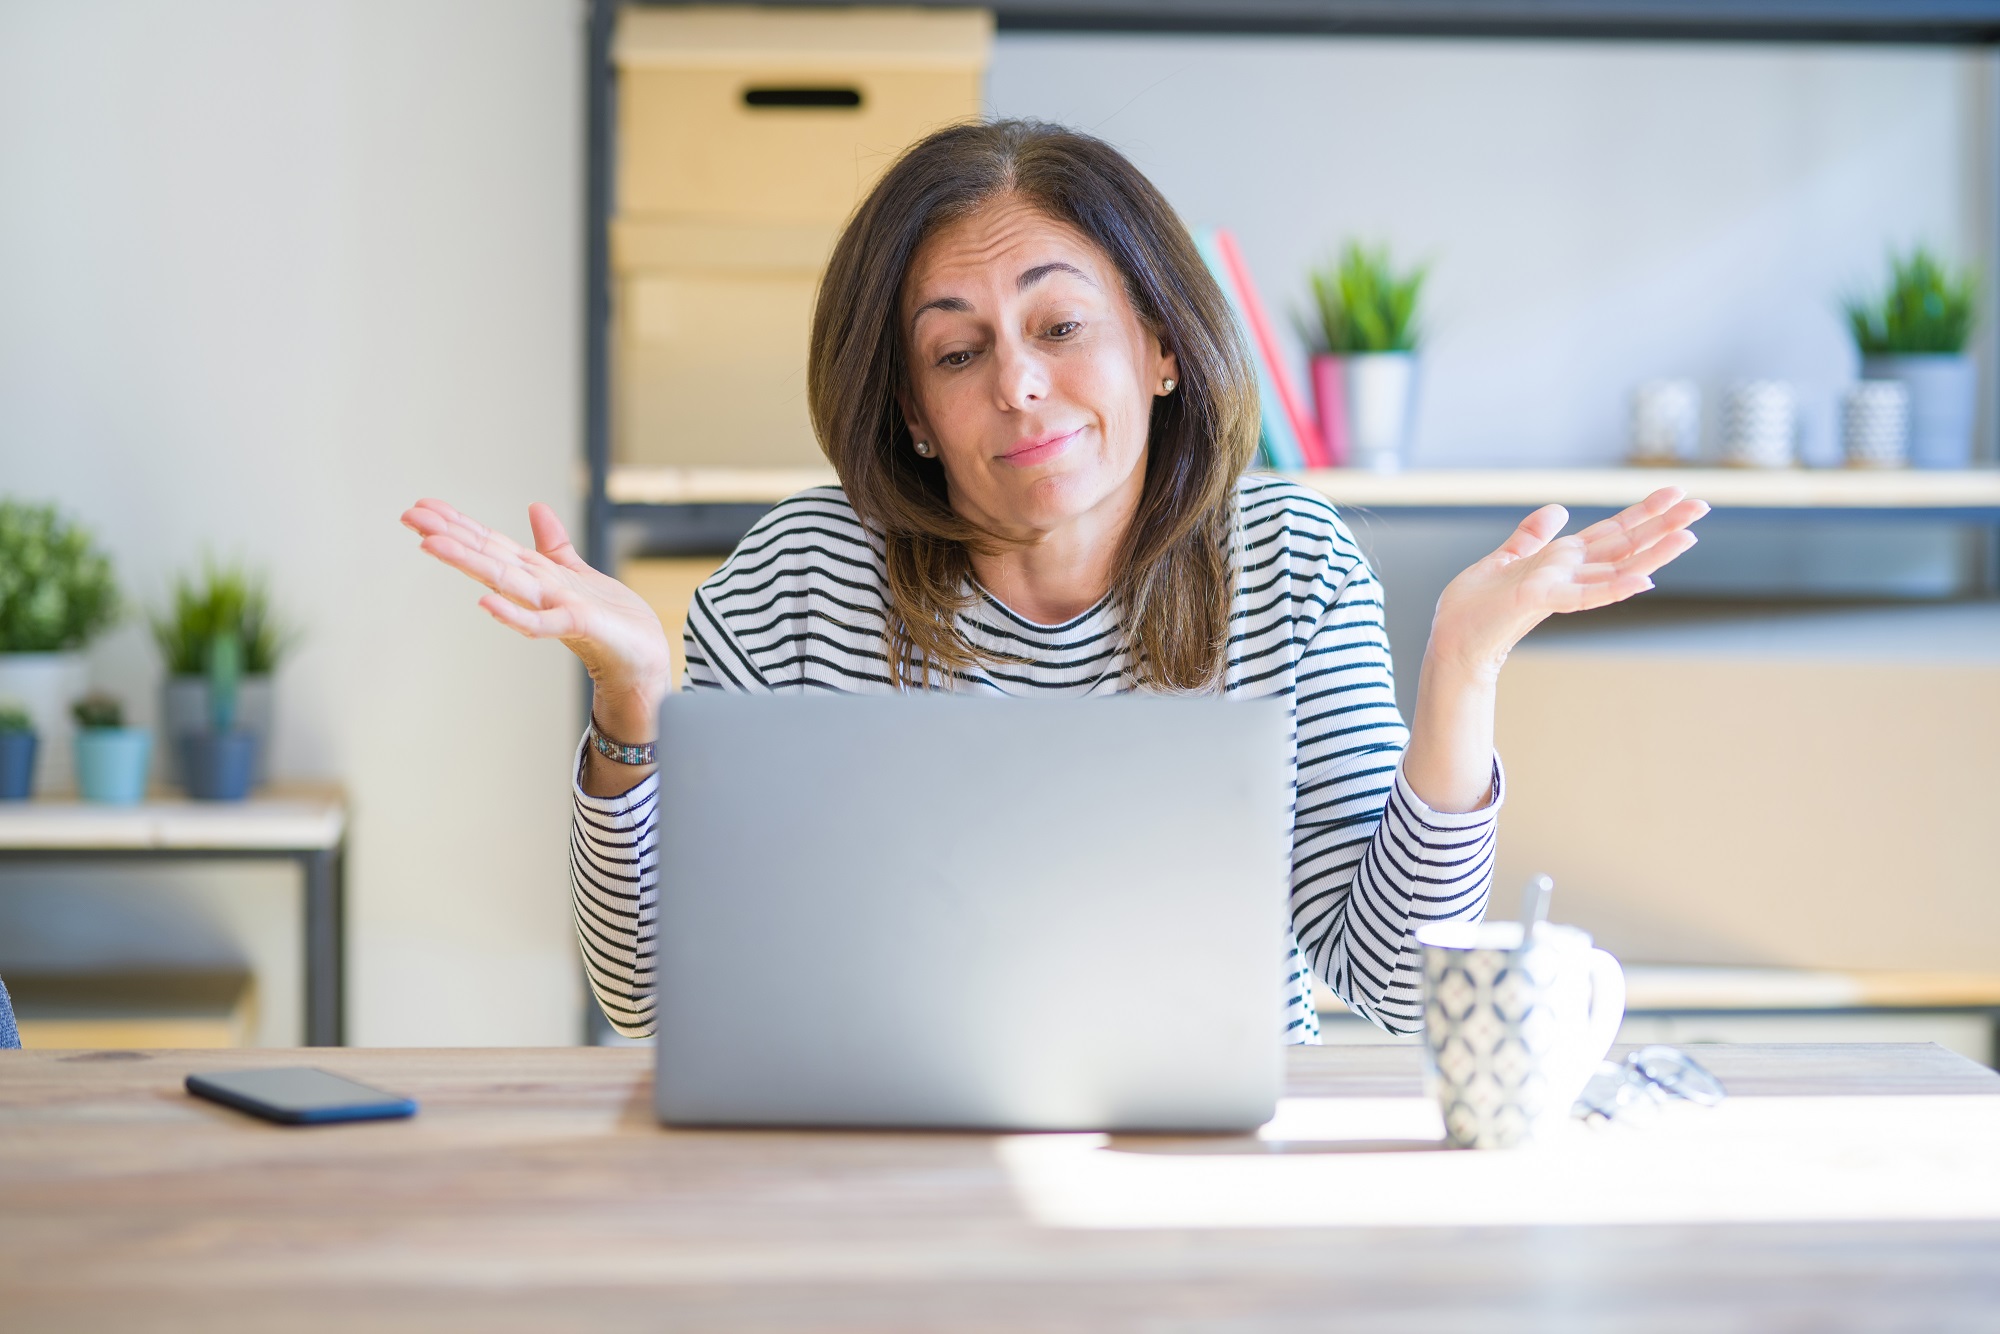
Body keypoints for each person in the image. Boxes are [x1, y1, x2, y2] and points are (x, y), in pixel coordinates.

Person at [403, 120, 1704, 1044]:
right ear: (913, 412)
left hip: (1212, 1179)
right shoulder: (792, 578)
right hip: (862, 1169)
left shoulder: (1294, 565)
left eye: (1061, 326)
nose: (1017, 382)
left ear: (1158, 347)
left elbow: (1382, 977)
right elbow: (649, 993)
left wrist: (1461, 672)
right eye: (957, 352)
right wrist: (634, 701)